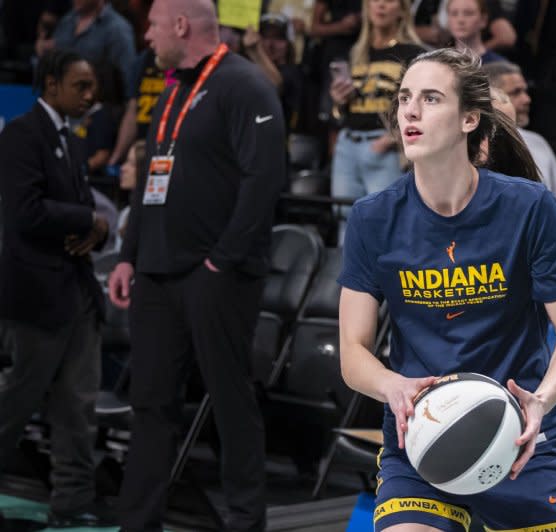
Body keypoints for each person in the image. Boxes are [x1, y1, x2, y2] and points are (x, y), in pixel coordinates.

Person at [338, 47, 556, 531]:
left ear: (469, 118)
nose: (409, 111)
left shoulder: (530, 207)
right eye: (405, 97)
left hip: (521, 440)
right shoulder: (373, 217)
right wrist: (393, 386)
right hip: (423, 439)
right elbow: (352, 352)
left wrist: (542, 398)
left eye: (431, 99)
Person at [106, 0, 286, 530]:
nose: (146, 36)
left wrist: (221, 261)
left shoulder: (244, 84)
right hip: (158, 275)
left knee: (231, 402)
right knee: (150, 404)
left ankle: (245, 522)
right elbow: (147, 181)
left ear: (181, 26)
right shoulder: (170, 88)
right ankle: (138, 523)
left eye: (154, 25)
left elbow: (263, 180)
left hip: (217, 277)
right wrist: (127, 257)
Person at [0, 49, 111, 528]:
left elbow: (82, 208)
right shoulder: (22, 135)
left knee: (77, 409)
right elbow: (24, 212)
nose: (91, 95)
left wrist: (97, 228)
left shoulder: (73, 139)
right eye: (81, 86)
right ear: (50, 86)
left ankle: (72, 503)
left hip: (76, 294)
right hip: (34, 298)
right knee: (12, 408)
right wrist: (87, 219)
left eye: (93, 86)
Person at [329, 0, 426, 241]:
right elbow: (340, 111)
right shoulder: (355, 52)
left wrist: (392, 137)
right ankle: (347, 279)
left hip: (385, 148)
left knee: (384, 225)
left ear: (402, 9)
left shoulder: (414, 54)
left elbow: (424, 105)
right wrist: (339, 101)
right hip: (348, 143)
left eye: (389, 0)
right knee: (344, 220)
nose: (380, 5)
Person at [483, 60, 556, 253]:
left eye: (525, 91)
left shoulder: (538, 142)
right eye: (516, 92)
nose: (527, 99)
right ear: (492, 97)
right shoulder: (471, 147)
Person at [35, 0, 137, 101]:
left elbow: (128, 78)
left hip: (96, 106)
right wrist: (46, 52)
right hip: (62, 103)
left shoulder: (117, 29)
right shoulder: (67, 21)